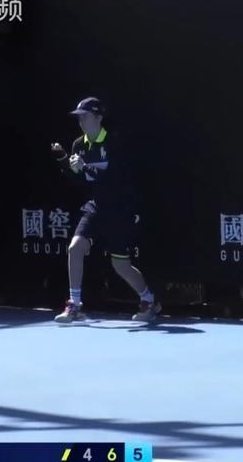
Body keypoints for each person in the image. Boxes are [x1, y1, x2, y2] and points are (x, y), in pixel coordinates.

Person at [49, 97, 161, 323]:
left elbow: (115, 180)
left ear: (98, 118)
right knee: (75, 248)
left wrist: (85, 167)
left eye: (85, 116)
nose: (81, 121)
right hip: (96, 206)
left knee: (121, 265)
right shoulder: (78, 145)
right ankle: (74, 305)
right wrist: (64, 160)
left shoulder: (114, 143)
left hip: (119, 209)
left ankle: (149, 301)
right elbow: (79, 181)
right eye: (79, 117)